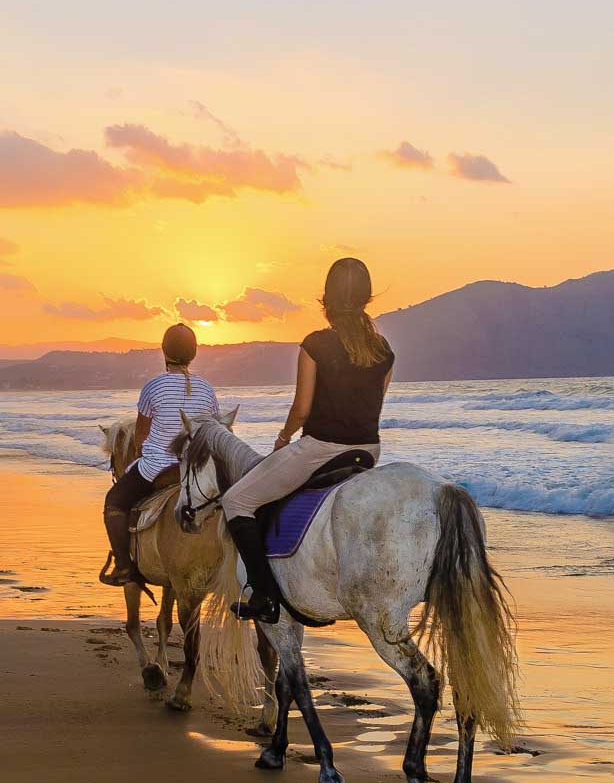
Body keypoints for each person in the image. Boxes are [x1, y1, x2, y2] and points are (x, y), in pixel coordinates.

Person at [222, 257, 395, 623]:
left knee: (236, 499)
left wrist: (284, 438)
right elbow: (375, 404)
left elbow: (302, 409)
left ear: (326, 300)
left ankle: (264, 596)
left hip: (320, 450)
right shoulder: (384, 351)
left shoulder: (315, 345)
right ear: (366, 298)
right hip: (367, 451)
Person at [101, 324, 219, 587]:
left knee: (114, 502)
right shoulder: (206, 389)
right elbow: (213, 430)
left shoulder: (153, 386)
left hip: (158, 468)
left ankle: (122, 566)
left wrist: (146, 451)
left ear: (164, 351)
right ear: (194, 353)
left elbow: (142, 437)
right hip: (198, 470)